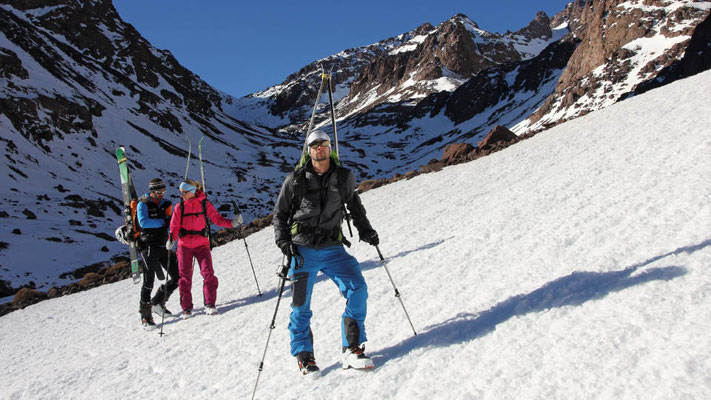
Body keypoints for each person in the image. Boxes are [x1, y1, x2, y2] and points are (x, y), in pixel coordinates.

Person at [273, 129, 380, 377]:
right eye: (314, 144)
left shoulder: (343, 177)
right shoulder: (295, 180)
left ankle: (351, 348)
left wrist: (366, 231)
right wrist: (284, 243)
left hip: (333, 248)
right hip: (302, 250)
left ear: (330, 147)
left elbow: (355, 206)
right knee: (300, 305)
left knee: (358, 288)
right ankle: (304, 356)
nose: (320, 148)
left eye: (324, 143)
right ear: (308, 150)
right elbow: (279, 215)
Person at [167, 179, 242, 318]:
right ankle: (186, 309)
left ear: (192, 191)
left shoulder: (204, 204)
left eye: (184, 192)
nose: (181, 195)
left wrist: (232, 223)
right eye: (180, 192)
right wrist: (171, 239)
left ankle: (210, 304)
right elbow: (174, 226)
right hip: (184, 246)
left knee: (208, 273)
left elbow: (217, 219)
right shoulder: (179, 207)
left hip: (202, 244)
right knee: (184, 278)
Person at [136, 178, 178, 331]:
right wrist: (163, 222)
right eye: (159, 192)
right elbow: (143, 222)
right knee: (148, 281)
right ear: (152, 191)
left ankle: (157, 302)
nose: (162, 194)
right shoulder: (143, 203)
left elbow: (171, 222)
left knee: (178, 275)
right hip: (148, 247)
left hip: (163, 245)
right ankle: (145, 317)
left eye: (163, 192)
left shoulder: (166, 203)